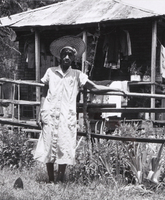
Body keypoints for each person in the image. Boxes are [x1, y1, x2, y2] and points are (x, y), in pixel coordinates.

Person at [33, 36, 126, 183]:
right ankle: (50, 180)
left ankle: (60, 180)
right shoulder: (50, 72)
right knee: (49, 144)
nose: (67, 57)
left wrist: (116, 90)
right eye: (64, 54)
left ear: (74, 58)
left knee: (63, 145)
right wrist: (41, 111)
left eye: (70, 55)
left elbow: (94, 87)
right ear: (60, 56)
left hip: (66, 116)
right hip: (49, 114)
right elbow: (44, 93)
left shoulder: (77, 75)